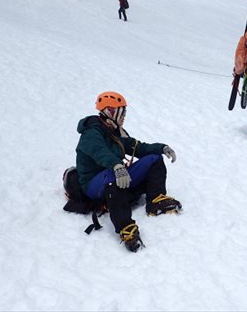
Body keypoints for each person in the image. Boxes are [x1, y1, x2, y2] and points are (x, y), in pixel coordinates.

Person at [75, 91, 181, 252]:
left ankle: (156, 200)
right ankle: (126, 228)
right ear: (111, 111)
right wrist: (117, 166)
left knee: (153, 159)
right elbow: (100, 152)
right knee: (113, 178)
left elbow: (137, 147)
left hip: (116, 174)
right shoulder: (91, 133)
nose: (124, 116)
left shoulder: (114, 132)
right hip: (94, 184)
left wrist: (161, 148)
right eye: (122, 112)